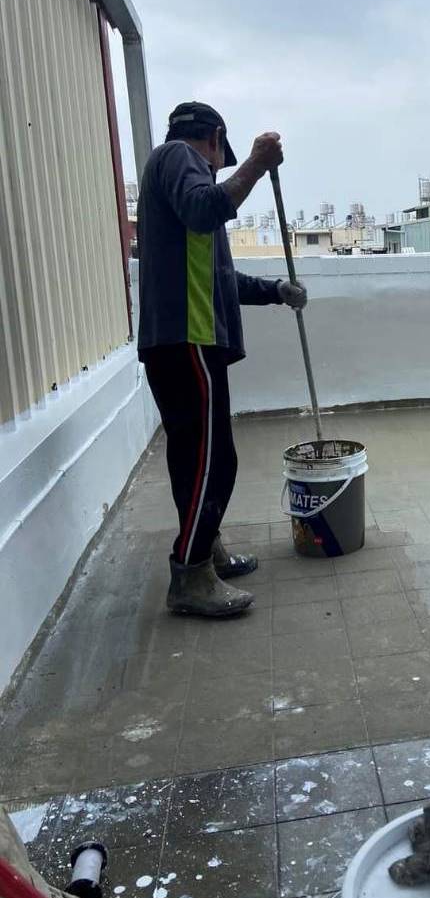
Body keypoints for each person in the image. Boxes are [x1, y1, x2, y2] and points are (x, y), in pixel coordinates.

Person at [136, 101, 307, 617]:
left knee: (194, 458)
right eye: (219, 160)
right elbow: (205, 206)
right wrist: (255, 164)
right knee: (215, 461)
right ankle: (190, 574)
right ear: (213, 139)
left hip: (178, 340)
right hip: (188, 340)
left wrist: (275, 291)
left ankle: (204, 550)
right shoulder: (178, 158)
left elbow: (219, 280)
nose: (214, 171)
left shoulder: (176, 189)